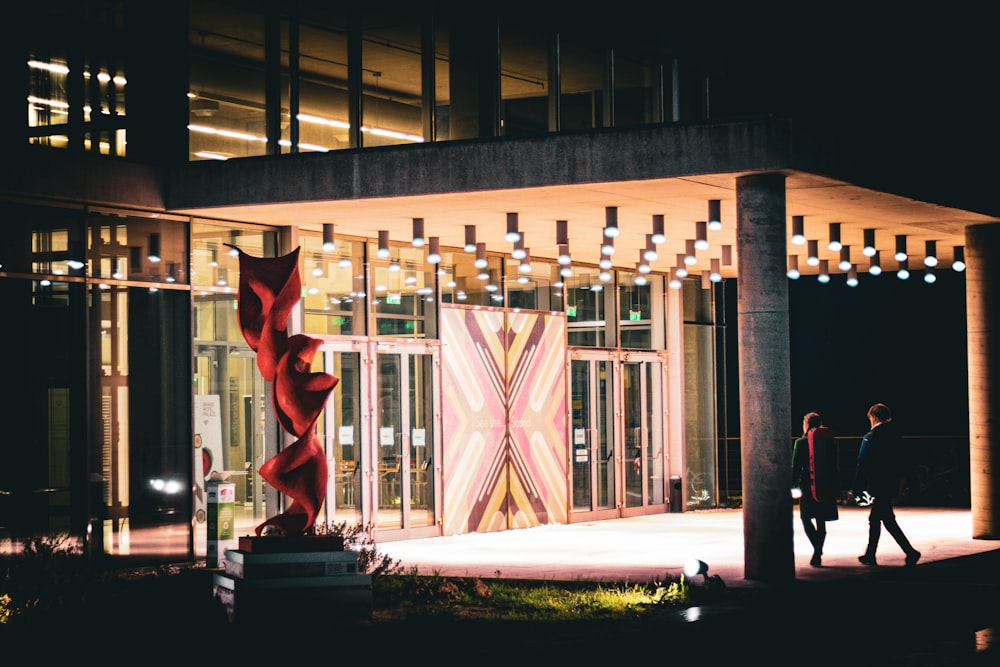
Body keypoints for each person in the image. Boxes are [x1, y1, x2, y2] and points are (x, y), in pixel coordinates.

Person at [852, 402, 921, 567]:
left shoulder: (871, 436)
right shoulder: (895, 435)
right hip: (891, 483)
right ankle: (872, 554)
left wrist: (857, 487)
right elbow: (906, 461)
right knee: (880, 519)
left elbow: (862, 463)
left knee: (882, 520)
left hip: (877, 485)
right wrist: (912, 484)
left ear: (873, 416)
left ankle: (909, 552)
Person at [791, 412, 839, 567]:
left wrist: (790, 485)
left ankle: (817, 549)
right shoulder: (829, 440)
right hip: (825, 483)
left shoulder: (800, 442)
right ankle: (818, 550)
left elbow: (796, 467)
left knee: (805, 518)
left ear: (806, 424)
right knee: (821, 519)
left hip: (807, 484)